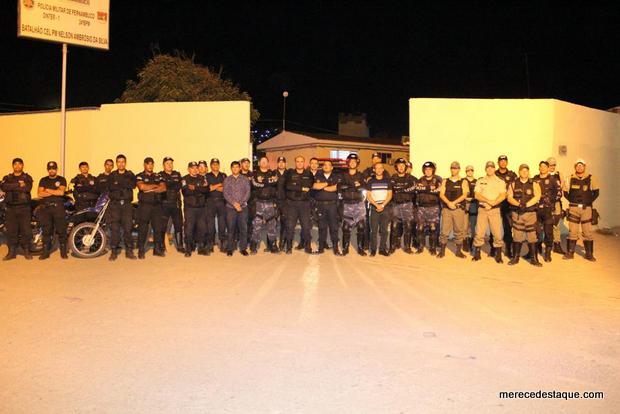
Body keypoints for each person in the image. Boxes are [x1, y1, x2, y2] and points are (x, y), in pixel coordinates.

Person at [562, 159, 599, 261]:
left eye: (581, 166)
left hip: (586, 209)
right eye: (577, 166)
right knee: (572, 231)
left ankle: (589, 254)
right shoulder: (569, 178)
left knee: (587, 232)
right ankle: (570, 253)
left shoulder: (592, 178)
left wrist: (588, 202)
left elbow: (596, 193)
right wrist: (573, 201)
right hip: (573, 208)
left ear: (584, 167)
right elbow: (565, 192)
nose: (579, 168)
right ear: (575, 167)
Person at [278, 156, 316, 254]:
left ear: (304, 163)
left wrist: (295, 186)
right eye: (297, 161)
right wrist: (301, 188)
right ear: (295, 163)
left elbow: (309, 186)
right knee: (290, 226)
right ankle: (289, 247)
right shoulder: (289, 173)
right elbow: (288, 186)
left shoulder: (309, 173)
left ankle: (308, 247)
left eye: (301, 161)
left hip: (304, 204)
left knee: (306, 227)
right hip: (291, 204)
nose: (299, 163)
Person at [507, 164, 542, 266]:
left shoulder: (534, 184)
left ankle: (534, 259)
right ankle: (515, 257)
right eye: (522, 171)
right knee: (517, 236)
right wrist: (518, 204)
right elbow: (509, 197)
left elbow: (537, 196)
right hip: (517, 213)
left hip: (530, 214)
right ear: (519, 172)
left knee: (532, 236)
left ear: (528, 172)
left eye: (526, 171)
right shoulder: (513, 184)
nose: (524, 173)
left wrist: (526, 205)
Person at [472, 161, 506, 263]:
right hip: (482, 209)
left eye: (492, 167)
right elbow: (476, 195)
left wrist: (493, 203)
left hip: (494, 210)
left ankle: (498, 255)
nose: (490, 169)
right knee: (479, 233)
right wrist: (487, 201)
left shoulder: (500, 181)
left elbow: (503, 195)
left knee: (497, 234)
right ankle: (477, 254)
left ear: (494, 169)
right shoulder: (480, 181)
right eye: (488, 168)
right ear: (485, 169)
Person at [1, 158, 33, 260]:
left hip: (24, 208)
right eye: (15, 164)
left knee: (26, 231)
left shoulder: (27, 177)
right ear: (13, 166)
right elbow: (4, 187)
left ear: (22, 165)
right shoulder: (7, 177)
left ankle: (26, 251)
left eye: (20, 164)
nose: (17, 166)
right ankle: (11, 252)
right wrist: (19, 184)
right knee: (11, 231)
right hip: (10, 208)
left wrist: (11, 186)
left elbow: (27, 188)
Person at [106, 154, 137, 261]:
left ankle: (129, 250)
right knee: (115, 229)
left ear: (125, 162)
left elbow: (133, 185)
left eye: (123, 161)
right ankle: (114, 251)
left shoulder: (130, 174)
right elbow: (110, 187)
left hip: (127, 205)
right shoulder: (112, 175)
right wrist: (124, 184)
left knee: (128, 228)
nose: (121, 163)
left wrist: (119, 184)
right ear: (116, 163)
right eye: (119, 162)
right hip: (115, 205)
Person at [37, 161, 68, 260]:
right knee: (46, 231)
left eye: (53, 168)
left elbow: (61, 192)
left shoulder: (61, 179)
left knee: (61, 230)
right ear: (47, 170)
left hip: (58, 207)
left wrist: (47, 190)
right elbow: (40, 194)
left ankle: (63, 252)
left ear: (56, 169)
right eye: (50, 169)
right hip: (46, 208)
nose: (51, 170)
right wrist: (54, 191)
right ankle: (45, 252)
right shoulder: (43, 180)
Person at [136, 157, 167, 259]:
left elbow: (163, 188)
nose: (150, 166)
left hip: (157, 205)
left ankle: (157, 250)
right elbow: (141, 187)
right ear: (144, 165)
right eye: (148, 164)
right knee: (143, 229)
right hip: (145, 206)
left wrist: (149, 188)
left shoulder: (158, 176)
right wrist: (155, 187)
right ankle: (141, 250)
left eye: (152, 164)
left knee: (158, 228)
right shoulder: (139, 176)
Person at [438, 161, 469, 258]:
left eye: (455, 168)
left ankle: (458, 251)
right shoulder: (445, 181)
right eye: (452, 168)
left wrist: (454, 203)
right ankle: (442, 251)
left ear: (459, 169)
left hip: (458, 209)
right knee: (444, 231)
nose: (453, 170)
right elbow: (441, 194)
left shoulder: (463, 181)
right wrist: (448, 203)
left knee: (459, 231)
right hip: (447, 209)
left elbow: (464, 195)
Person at [339, 153, 367, 256]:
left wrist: (355, 186)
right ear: (348, 163)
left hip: (359, 204)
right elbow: (340, 187)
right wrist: (355, 186)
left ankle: (360, 248)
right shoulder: (343, 175)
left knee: (361, 226)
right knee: (346, 227)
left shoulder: (361, 175)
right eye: (350, 161)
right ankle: (345, 248)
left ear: (357, 163)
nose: (352, 163)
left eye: (354, 161)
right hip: (347, 204)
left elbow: (364, 187)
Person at [250, 156, 279, 254]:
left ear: (268, 163)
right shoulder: (254, 173)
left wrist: (263, 182)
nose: (263, 163)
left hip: (270, 202)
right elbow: (254, 184)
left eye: (265, 161)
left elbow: (275, 181)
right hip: (258, 202)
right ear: (259, 163)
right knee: (256, 225)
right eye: (261, 161)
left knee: (272, 225)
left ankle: (273, 245)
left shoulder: (273, 173)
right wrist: (268, 182)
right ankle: (254, 245)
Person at [313, 159, 343, 255]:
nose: (326, 166)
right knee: (322, 227)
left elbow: (336, 187)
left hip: (332, 206)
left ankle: (336, 248)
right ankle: (321, 248)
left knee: (334, 227)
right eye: (324, 165)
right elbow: (314, 186)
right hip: (320, 205)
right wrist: (327, 184)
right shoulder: (317, 176)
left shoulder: (336, 177)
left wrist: (323, 187)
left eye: (328, 165)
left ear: (332, 167)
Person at [532, 160, 561, 262]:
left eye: (545, 166)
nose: (543, 168)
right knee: (536, 231)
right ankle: (535, 251)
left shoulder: (553, 179)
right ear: (539, 168)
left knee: (548, 232)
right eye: (541, 166)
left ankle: (548, 253)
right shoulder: (534, 179)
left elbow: (559, 193)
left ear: (548, 168)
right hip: (536, 210)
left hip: (548, 210)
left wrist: (551, 201)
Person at [181, 162, 209, 257]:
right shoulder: (185, 179)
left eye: (195, 168)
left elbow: (206, 190)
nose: (194, 169)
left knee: (202, 228)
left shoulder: (202, 178)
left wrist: (195, 188)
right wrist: (200, 190)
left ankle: (201, 248)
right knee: (189, 229)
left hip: (201, 208)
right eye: (192, 168)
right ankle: (188, 248)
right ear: (188, 169)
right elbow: (186, 192)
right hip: (190, 208)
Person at [389, 157, 416, 254]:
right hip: (395, 205)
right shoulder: (392, 178)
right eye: (399, 166)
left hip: (407, 205)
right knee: (394, 226)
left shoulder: (412, 179)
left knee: (408, 226)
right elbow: (389, 192)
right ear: (396, 167)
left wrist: (402, 190)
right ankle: (392, 246)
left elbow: (415, 188)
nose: (401, 167)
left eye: (403, 165)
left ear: (406, 167)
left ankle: (407, 247)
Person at [224, 161, 251, 256]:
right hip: (230, 208)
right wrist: (234, 204)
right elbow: (225, 194)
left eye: (237, 167)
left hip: (243, 208)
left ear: (240, 168)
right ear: (231, 169)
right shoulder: (227, 179)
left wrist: (240, 203)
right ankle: (230, 248)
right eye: (233, 167)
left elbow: (247, 192)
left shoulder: (245, 179)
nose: (235, 169)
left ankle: (243, 248)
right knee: (231, 228)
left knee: (243, 228)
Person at [414, 161, 442, 255]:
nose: (428, 171)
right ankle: (420, 247)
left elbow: (439, 191)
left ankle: (433, 248)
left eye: (430, 169)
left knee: (433, 228)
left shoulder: (438, 180)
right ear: (424, 171)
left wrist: (426, 188)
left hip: (433, 207)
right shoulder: (420, 180)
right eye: (426, 170)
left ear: (433, 170)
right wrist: (430, 189)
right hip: (421, 207)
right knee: (420, 228)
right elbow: (417, 189)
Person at [159, 156, 184, 253]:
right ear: (163, 165)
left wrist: (168, 185)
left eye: (171, 163)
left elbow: (179, 185)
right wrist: (172, 185)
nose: (169, 165)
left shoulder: (177, 174)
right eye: (167, 163)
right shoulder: (160, 175)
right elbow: (162, 187)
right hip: (164, 204)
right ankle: (161, 246)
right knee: (163, 226)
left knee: (178, 225)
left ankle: (180, 246)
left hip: (176, 204)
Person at [366, 162, 393, 256]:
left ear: (383, 169)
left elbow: (390, 195)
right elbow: (368, 195)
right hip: (374, 208)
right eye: (376, 168)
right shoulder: (370, 181)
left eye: (380, 168)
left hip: (385, 208)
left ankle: (382, 249)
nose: (379, 170)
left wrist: (382, 205)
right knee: (373, 230)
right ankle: (373, 249)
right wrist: (376, 205)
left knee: (384, 230)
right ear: (374, 170)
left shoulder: (387, 181)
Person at [495, 155, 518, 257]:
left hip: (508, 206)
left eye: (505, 161)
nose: (503, 163)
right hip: (496, 204)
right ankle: (493, 249)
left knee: (508, 227)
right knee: (494, 227)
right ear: (498, 163)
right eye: (501, 161)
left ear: (507, 162)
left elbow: (516, 188)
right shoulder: (494, 174)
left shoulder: (512, 175)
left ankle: (508, 249)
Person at [205, 158, 227, 253]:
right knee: (210, 224)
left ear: (219, 165)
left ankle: (222, 242)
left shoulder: (223, 175)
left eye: (217, 164)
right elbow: (208, 189)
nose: (215, 166)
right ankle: (211, 243)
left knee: (222, 223)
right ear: (211, 166)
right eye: (213, 164)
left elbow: (225, 189)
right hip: (210, 202)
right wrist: (219, 185)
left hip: (221, 202)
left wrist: (214, 187)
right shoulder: (207, 176)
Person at [547, 157, 567, 255]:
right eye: (550, 165)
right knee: (544, 224)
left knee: (556, 223)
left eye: (554, 165)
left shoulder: (559, 175)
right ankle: (544, 244)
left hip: (556, 202)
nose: (552, 167)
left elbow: (562, 186)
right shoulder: (543, 175)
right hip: (546, 203)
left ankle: (557, 244)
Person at [463, 165, 478, 252]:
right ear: (466, 171)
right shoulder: (462, 181)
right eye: (468, 170)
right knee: (464, 226)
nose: (470, 172)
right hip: (465, 204)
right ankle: (465, 244)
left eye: (471, 170)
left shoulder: (477, 181)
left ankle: (471, 244)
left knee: (472, 226)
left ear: (473, 171)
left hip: (474, 205)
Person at [275, 156, 288, 251]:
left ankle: (282, 243)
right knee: (272, 223)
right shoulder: (273, 173)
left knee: (284, 223)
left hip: (285, 202)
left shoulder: (289, 173)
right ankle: (271, 244)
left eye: (283, 162)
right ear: (277, 163)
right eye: (279, 162)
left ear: (285, 164)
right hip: (275, 202)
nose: (281, 164)